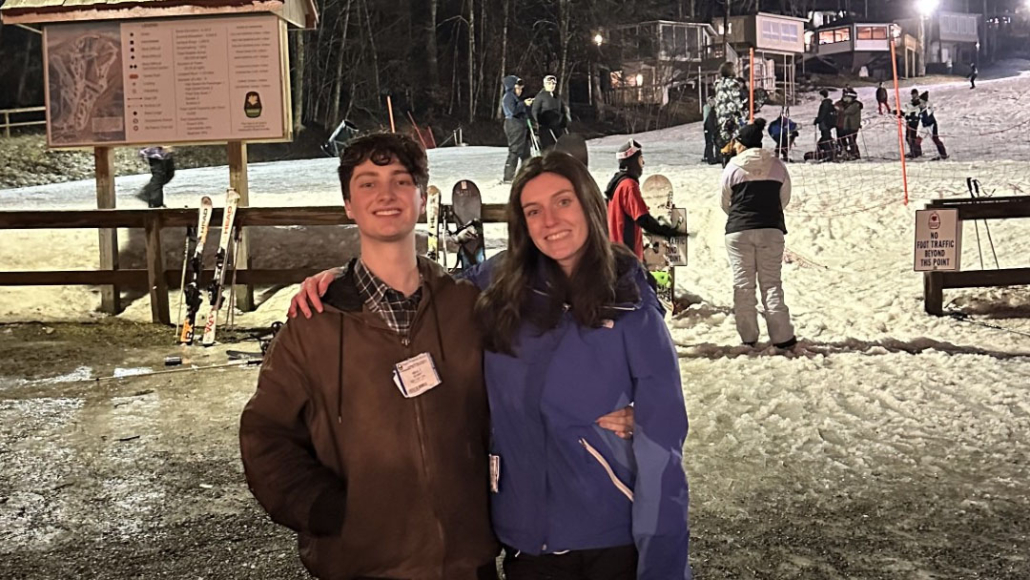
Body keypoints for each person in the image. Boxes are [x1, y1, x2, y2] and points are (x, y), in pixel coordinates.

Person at [266, 133, 635, 580]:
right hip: (362, 564)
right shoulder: (316, 323)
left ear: (422, 199)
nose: (385, 195)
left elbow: (549, 334)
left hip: (467, 563)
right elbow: (266, 434)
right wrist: (323, 508)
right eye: (367, 184)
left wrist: (626, 405)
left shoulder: (469, 304)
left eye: (401, 181)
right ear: (348, 204)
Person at [469, 152, 691, 579]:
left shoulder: (630, 299)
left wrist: (664, 565)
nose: (550, 221)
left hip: (610, 539)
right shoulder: (499, 286)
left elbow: (663, 442)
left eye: (563, 202)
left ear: (588, 203)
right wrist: (340, 280)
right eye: (534, 211)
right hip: (528, 541)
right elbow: (418, 288)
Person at [720, 119, 797, 350]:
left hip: (738, 231)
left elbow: (725, 202)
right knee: (771, 283)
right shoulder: (776, 165)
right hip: (770, 228)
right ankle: (782, 336)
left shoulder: (732, 167)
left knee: (743, 284)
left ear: (742, 144)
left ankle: (748, 336)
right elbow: (785, 198)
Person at [603, 139, 686, 262]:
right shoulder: (629, 186)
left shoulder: (617, 185)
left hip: (617, 253)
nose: (643, 164)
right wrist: (667, 232)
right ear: (633, 163)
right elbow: (643, 219)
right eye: (641, 160)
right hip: (627, 256)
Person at [502, 75, 534, 183]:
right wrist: (524, 104)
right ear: (512, 87)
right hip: (514, 125)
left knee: (526, 153)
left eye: (521, 88)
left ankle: (527, 175)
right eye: (518, 88)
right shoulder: (508, 97)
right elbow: (513, 111)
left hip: (521, 126)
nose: (520, 90)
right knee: (514, 151)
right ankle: (508, 178)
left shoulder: (514, 97)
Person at [714, 62, 745, 165]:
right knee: (737, 136)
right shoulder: (733, 84)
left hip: (721, 115)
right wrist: (743, 109)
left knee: (725, 137)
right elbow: (737, 101)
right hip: (732, 114)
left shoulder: (718, 84)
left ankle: (725, 157)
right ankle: (734, 160)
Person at [531, 74, 570, 151]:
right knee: (548, 148)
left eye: (553, 83)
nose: (551, 85)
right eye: (549, 83)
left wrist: (564, 121)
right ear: (545, 84)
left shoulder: (557, 96)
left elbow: (562, 110)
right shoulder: (540, 96)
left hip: (558, 126)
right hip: (546, 128)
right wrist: (539, 121)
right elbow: (535, 111)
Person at [918, 91, 949, 160]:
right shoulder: (921, 109)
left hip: (932, 126)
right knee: (918, 140)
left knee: (936, 140)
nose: (919, 104)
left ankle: (943, 155)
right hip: (925, 126)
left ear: (924, 103)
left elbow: (928, 117)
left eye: (921, 102)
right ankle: (916, 154)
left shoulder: (928, 109)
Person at [839, 88, 863, 160]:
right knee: (848, 140)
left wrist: (840, 108)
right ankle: (850, 153)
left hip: (853, 126)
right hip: (848, 125)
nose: (845, 99)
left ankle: (855, 153)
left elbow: (847, 112)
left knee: (852, 141)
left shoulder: (855, 105)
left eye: (847, 97)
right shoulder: (849, 104)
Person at [813, 89, 837, 161]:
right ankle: (826, 153)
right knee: (826, 138)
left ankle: (829, 155)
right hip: (827, 124)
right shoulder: (828, 103)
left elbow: (823, 115)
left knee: (825, 139)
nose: (818, 97)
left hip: (825, 124)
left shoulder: (825, 104)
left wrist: (817, 120)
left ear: (822, 95)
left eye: (819, 95)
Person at [702, 96, 719, 164]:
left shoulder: (711, 109)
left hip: (709, 127)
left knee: (709, 143)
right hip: (709, 127)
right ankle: (709, 157)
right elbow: (707, 119)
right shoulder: (708, 109)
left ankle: (707, 156)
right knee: (710, 143)